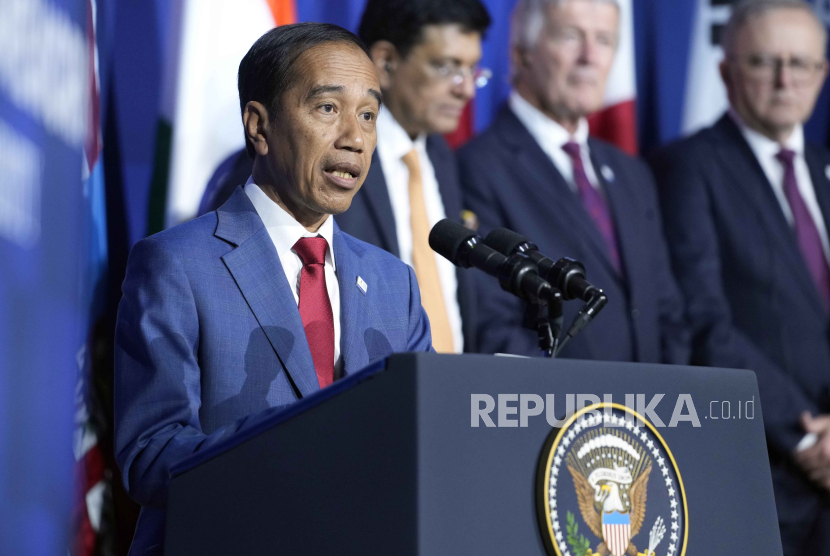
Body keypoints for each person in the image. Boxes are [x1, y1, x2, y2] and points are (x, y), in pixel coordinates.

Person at [114, 24, 432, 554]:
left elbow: (426, 435)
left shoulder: (392, 282)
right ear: (259, 126)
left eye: (369, 115)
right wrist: (302, 448)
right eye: (328, 109)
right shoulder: (176, 264)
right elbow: (150, 454)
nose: (354, 137)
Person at [202, 0, 490, 354]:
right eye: (447, 67)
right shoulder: (290, 167)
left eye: (368, 116)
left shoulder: (449, 162)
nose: (466, 90)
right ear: (385, 62)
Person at [649, 1, 830, 551]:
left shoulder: (823, 171)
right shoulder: (687, 166)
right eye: (764, 62)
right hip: (766, 473)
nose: (785, 80)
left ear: (822, 73)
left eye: (801, 63)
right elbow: (703, 319)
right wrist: (804, 436)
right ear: (726, 71)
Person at [457, 0, 688, 362]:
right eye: (570, 36)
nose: (590, 57)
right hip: (563, 413)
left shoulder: (632, 172)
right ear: (522, 54)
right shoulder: (477, 167)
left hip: (652, 413)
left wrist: (668, 404)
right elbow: (494, 327)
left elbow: (667, 310)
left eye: (605, 40)